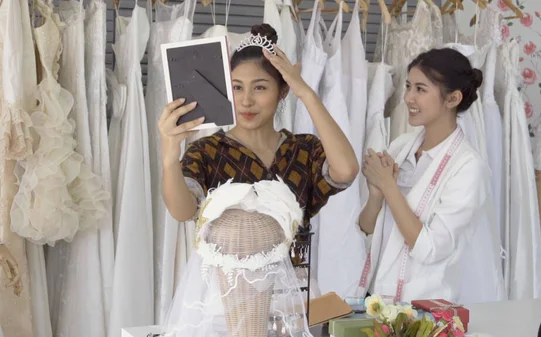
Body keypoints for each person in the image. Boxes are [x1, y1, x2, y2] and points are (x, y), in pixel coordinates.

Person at [159, 23, 358, 230]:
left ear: (283, 91)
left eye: (260, 87)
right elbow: (182, 212)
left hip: (293, 264)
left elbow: (346, 170)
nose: (246, 100)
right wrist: (169, 159)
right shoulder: (206, 151)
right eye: (237, 87)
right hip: (220, 264)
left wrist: (306, 93)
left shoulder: (303, 150)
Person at [355, 48, 505, 304]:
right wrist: (377, 195)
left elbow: (430, 249)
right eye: (408, 87)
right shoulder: (400, 148)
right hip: (378, 300)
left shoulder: (468, 168)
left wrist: (389, 187)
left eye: (421, 90)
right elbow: (367, 228)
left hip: (428, 310)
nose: (408, 98)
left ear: (452, 99)